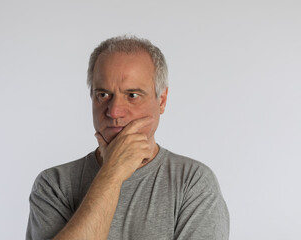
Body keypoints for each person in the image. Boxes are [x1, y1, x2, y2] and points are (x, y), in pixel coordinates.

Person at [26, 35, 229, 240]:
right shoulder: (55, 184)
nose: (114, 112)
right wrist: (112, 173)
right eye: (103, 95)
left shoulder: (192, 183)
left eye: (132, 96)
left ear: (162, 101)